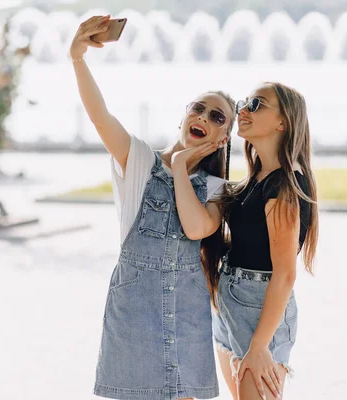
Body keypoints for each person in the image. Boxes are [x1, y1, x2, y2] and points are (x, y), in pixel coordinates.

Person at [70, 15, 236, 400]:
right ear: (184, 115)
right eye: (199, 109)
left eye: (216, 118)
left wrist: (180, 168)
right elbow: (100, 117)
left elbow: (196, 229)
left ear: (224, 137)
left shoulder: (217, 188)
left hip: (188, 313)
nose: (203, 119)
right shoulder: (140, 162)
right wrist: (78, 59)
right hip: (135, 310)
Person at [211, 82, 319, 400]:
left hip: (260, 310)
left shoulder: (285, 183)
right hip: (230, 303)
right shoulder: (253, 179)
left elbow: (285, 274)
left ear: (282, 122)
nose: (242, 110)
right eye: (245, 102)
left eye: (256, 104)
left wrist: (259, 346)